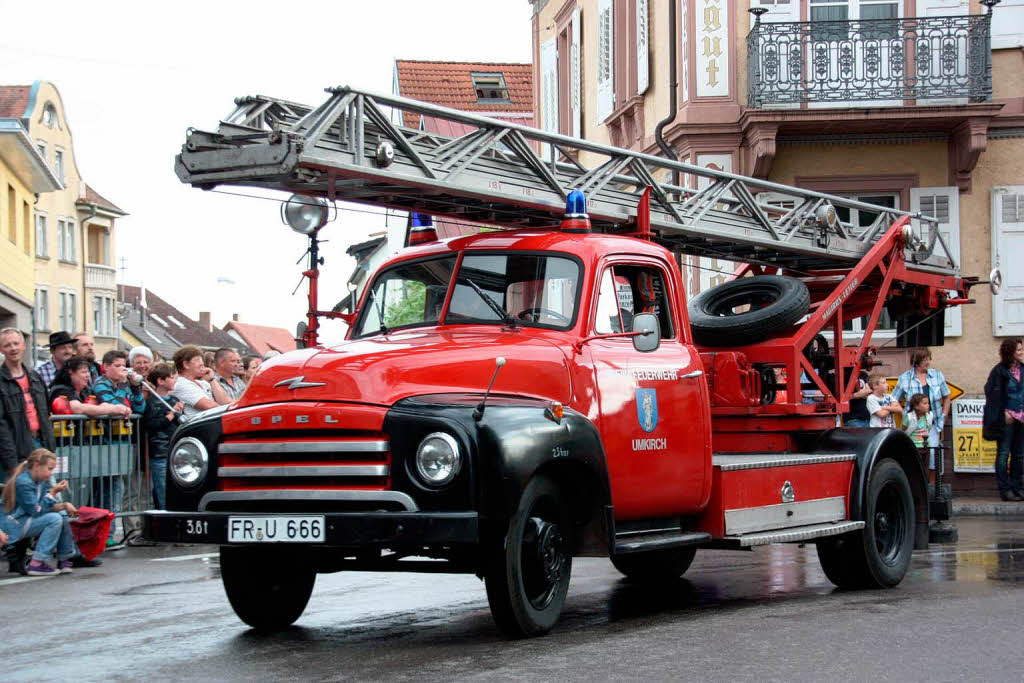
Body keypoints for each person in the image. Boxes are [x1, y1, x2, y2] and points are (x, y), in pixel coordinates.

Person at [93, 350, 145, 544]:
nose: (122, 370)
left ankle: (107, 533)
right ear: (106, 367)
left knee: (117, 487)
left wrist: (135, 387)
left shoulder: (124, 385)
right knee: (111, 488)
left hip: (123, 442)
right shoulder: (101, 383)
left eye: (124, 366)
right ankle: (105, 534)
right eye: (118, 366)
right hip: (106, 442)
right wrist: (125, 395)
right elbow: (112, 405)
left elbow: (139, 408)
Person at [1, 449, 78, 576]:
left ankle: (64, 559)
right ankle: (38, 562)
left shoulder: (38, 481)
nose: (50, 473)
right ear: (37, 465)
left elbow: (43, 507)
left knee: (61, 516)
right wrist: (53, 493)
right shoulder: (23, 482)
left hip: (22, 521)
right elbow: (36, 510)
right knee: (54, 519)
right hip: (12, 525)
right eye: (49, 469)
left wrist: (64, 505)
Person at [0, 328, 57, 482]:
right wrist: (11, 462)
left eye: (16, 343)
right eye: (7, 345)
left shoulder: (35, 377)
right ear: (1, 349)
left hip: (41, 444)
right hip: (16, 449)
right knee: (17, 499)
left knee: (48, 496)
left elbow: (46, 412)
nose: (13, 348)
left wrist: (50, 446)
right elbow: (1, 425)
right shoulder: (1, 381)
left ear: (23, 345)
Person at [891, 348, 951, 464]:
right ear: (916, 361)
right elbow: (893, 399)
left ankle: (933, 482)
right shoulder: (905, 378)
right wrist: (903, 413)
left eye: (929, 359)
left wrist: (944, 415)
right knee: (913, 454)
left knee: (934, 453)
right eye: (924, 359)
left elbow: (947, 396)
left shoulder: (937, 375)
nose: (928, 362)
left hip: (932, 422)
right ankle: (915, 481)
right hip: (913, 424)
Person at [983, 338, 1024, 502]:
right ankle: (1005, 490)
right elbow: (991, 395)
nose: (1021, 352)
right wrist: (1004, 413)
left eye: (1021, 349)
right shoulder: (999, 371)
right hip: (1006, 420)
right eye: (1018, 350)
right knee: (1003, 454)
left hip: (1022, 418)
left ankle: (1017, 487)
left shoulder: (1023, 369)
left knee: (1019, 455)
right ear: (1010, 352)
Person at [143, 364, 182, 510]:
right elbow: (151, 425)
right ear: (160, 381)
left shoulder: (174, 399)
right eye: (171, 377)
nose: (174, 380)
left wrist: (179, 414)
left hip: (173, 451)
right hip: (160, 452)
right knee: (162, 488)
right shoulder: (153, 402)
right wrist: (171, 416)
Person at [48, 356, 130, 419]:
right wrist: (113, 410)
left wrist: (121, 408)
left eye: (88, 372)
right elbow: (78, 408)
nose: (87, 376)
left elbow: (101, 404)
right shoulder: (60, 389)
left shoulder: (86, 390)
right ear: (71, 373)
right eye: (83, 372)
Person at [172, 345, 229, 419]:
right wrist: (230, 410)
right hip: (200, 429)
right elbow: (211, 407)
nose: (202, 363)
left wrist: (212, 379)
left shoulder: (204, 383)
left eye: (202, 360)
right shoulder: (181, 384)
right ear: (186, 364)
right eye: (197, 360)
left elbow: (225, 401)